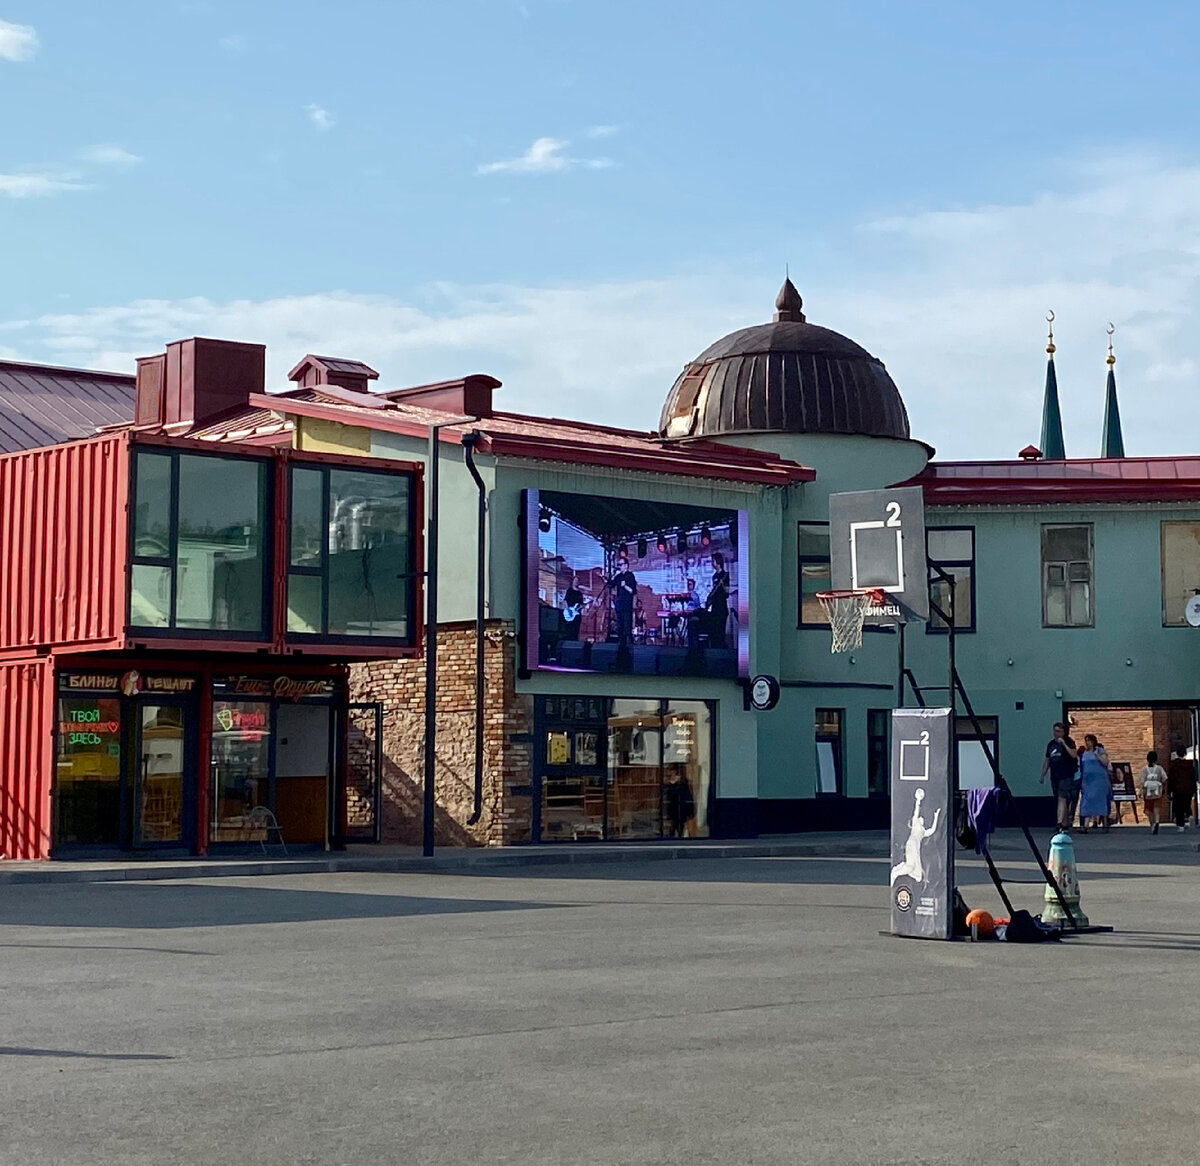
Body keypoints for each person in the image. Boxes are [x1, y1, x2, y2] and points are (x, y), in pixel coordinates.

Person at [890, 788, 941, 885]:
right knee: (911, 866)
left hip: (916, 848)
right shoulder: (915, 823)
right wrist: (918, 801)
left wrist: (936, 816)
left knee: (918, 875)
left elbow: (932, 830)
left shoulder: (923, 831)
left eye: (923, 819)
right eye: (920, 818)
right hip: (911, 844)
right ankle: (896, 872)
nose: (922, 819)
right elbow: (916, 812)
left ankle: (901, 867)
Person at [1039, 722, 1078, 832]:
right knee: (1061, 799)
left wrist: (1064, 745)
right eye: (1055, 731)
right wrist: (1043, 774)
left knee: (1062, 797)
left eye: (1059, 731)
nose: (1056, 734)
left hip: (1066, 775)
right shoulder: (1051, 744)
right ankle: (1065, 824)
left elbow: (1074, 755)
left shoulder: (1069, 742)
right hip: (1054, 776)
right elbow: (1047, 760)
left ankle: (1059, 823)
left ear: (1064, 732)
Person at [1076, 735, 1112, 832]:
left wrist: (1097, 755)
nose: (1087, 743)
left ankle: (1104, 822)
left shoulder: (1099, 750)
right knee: (1087, 801)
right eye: (1086, 741)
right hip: (1088, 781)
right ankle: (1086, 825)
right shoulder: (1084, 753)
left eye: (1089, 741)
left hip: (1099, 780)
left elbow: (1105, 762)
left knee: (1101, 801)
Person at [609, 554, 638, 655]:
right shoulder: (618, 576)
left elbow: (633, 591)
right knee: (620, 628)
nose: (619, 566)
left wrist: (625, 586)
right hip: (619, 605)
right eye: (618, 564)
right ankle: (620, 648)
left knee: (627, 627)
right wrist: (606, 577)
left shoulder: (630, 575)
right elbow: (610, 585)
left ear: (626, 565)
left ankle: (630, 648)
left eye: (621, 564)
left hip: (627, 605)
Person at [705, 552, 731, 650]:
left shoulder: (725, 575)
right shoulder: (714, 576)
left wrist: (723, 585)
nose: (712, 563)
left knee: (720, 632)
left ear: (718, 562)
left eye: (713, 561)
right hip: (715, 608)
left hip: (722, 607)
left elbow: (727, 593)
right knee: (714, 631)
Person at [1167, 750, 1196, 832]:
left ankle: (1181, 826)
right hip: (1189, 789)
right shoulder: (1190, 765)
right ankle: (1190, 816)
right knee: (1187, 805)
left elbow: (1171, 779)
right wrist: (1194, 789)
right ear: (1185, 754)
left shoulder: (1174, 765)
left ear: (1177, 754)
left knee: (1179, 808)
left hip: (1177, 789)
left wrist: (1169, 791)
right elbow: (1193, 779)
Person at [1140, 750, 1167, 836]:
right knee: (1156, 809)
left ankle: (1152, 825)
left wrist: (1141, 791)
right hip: (1158, 791)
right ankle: (1157, 822)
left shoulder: (1144, 769)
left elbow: (1142, 781)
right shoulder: (1159, 768)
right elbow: (1164, 778)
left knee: (1148, 810)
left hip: (1147, 793)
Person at [663, 767, 696, 838]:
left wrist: (690, 807)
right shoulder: (667, 783)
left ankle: (679, 836)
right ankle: (673, 836)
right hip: (672, 806)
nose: (670, 772)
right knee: (673, 823)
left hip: (680, 806)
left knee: (679, 824)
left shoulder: (682, 782)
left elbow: (687, 794)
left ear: (675, 771)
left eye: (671, 770)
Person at [560, 572, 584, 641]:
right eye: (575, 581)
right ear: (572, 582)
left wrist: (582, 606)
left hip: (577, 615)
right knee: (570, 631)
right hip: (570, 614)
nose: (576, 583)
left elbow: (581, 604)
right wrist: (569, 610)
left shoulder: (580, 593)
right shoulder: (569, 591)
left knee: (576, 631)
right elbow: (565, 601)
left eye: (578, 581)